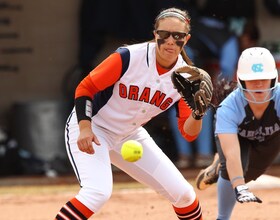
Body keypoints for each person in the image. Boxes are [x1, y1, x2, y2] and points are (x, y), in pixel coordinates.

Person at [54, 7, 212, 220]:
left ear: (187, 39)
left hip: (129, 135)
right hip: (93, 127)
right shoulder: (129, 57)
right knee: (97, 193)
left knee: (184, 195)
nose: (170, 41)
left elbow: (189, 133)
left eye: (178, 36)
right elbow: (85, 88)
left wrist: (198, 113)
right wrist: (84, 127)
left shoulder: (186, 77)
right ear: (155, 34)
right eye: (164, 34)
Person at [195, 47, 280, 220]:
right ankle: (222, 217)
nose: (258, 84)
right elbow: (233, 155)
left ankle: (215, 169)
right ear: (241, 81)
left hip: (271, 137)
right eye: (252, 79)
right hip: (238, 140)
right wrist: (239, 186)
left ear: (274, 79)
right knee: (234, 168)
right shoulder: (228, 108)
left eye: (264, 79)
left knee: (251, 173)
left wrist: (243, 180)